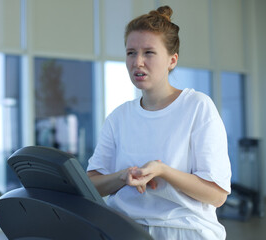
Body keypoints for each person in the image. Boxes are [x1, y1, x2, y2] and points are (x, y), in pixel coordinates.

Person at [87, 5, 231, 240]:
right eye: (131, 52)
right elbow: (91, 185)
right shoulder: (118, 117)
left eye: (149, 53)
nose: (137, 62)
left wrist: (163, 171)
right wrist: (123, 177)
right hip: (123, 229)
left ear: (172, 60)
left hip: (185, 232)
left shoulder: (197, 107)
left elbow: (216, 195)